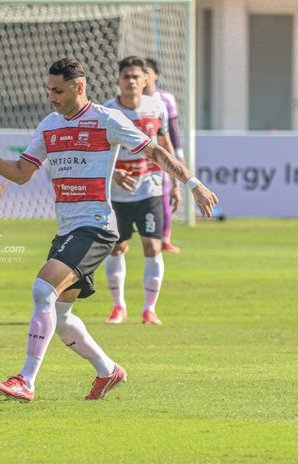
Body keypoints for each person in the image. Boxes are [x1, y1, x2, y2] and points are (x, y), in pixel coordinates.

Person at [0, 58, 218, 402]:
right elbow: (23, 173)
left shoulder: (106, 119)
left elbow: (157, 151)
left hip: (96, 226)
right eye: (49, 90)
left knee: (42, 290)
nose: (51, 97)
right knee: (61, 316)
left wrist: (193, 184)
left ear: (79, 86)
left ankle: (26, 379)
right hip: (68, 229)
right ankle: (108, 370)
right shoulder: (49, 125)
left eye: (58, 90)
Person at [103, 56, 178, 326]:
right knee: (117, 247)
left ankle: (149, 309)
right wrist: (115, 174)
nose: (132, 81)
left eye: (136, 76)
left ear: (146, 79)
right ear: (118, 81)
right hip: (117, 193)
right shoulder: (108, 112)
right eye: (126, 77)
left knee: (152, 245)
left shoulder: (157, 107)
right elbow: (98, 152)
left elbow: (165, 144)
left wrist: (176, 183)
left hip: (151, 189)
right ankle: (118, 307)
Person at [144, 57, 184, 253]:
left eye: (146, 72)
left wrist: (178, 153)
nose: (143, 76)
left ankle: (164, 239)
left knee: (165, 190)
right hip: (134, 158)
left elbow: (173, 130)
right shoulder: (127, 101)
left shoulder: (165, 99)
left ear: (155, 75)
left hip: (158, 154)